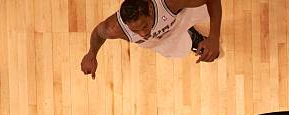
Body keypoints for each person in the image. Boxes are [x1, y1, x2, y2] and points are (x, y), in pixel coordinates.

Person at [80, 0, 222, 79]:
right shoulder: (113, 28)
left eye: (145, 25)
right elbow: (98, 34)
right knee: (178, 50)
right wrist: (92, 53)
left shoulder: (170, 2)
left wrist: (214, 37)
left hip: (178, 16)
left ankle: (188, 29)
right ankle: (191, 36)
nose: (142, 34)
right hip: (161, 39)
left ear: (150, 8)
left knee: (202, 9)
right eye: (135, 30)